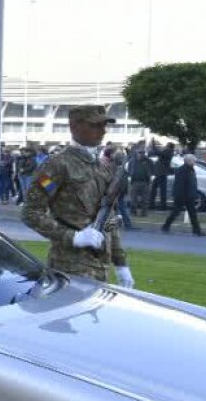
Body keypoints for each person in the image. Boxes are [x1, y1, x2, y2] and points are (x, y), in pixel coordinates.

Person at [21, 105, 134, 286]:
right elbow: (31, 213)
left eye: (104, 125)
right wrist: (72, 237)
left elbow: (108, 218)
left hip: (100, 267)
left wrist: (121, 264)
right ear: (74, 127)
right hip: (69, 267)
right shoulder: (56, 166)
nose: (102, 131)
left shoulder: (102, 168)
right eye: (94, 126)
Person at [161, 154, 204, 236]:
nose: (194, 162)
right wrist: (181, 196)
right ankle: (165, 226)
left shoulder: (191, 169)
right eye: (193, 160)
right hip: (182, 196)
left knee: (192, 213)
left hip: (189, 195)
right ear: (188, 161)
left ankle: (197, 230)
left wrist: (193, 193)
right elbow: (180, 185)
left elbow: (192, 183)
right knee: (176, 212)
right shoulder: (182, 170)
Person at [128, 145, 153, 217]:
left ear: (144, 153)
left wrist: (150, 178)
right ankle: (133, 212)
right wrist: (130, 176)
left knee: (145, 200)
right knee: (133, 199)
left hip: (145, 182)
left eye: (142, 153)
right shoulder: (132, 161)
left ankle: (144, 213)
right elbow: (129, 170)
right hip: (134, 182)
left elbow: (152, 170)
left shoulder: (148, 161)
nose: (141, 154)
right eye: (139, 153)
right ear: (136, 153)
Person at [150, 142, 174, 209]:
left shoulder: (168, 151)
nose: (165, 146)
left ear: (169, 146)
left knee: (158, 190)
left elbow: (159, 153)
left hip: (161, 173)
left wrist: (154, 146)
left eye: (166, 145)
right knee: (158, 190)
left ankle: (160, 205)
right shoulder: (168, 152)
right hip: (161, 173)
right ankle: (156, 204)